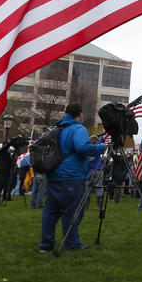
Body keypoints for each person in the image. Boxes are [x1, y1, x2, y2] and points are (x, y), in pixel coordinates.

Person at [39, 104, 105, 252]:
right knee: (73, 211)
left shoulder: (58, 129)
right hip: (72, 177)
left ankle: (46, 244)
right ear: (79, 115)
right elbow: (82, 147)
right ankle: (73, 243)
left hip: (54, 176)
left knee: (50, 212)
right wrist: (100, 148)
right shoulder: (78, 129)